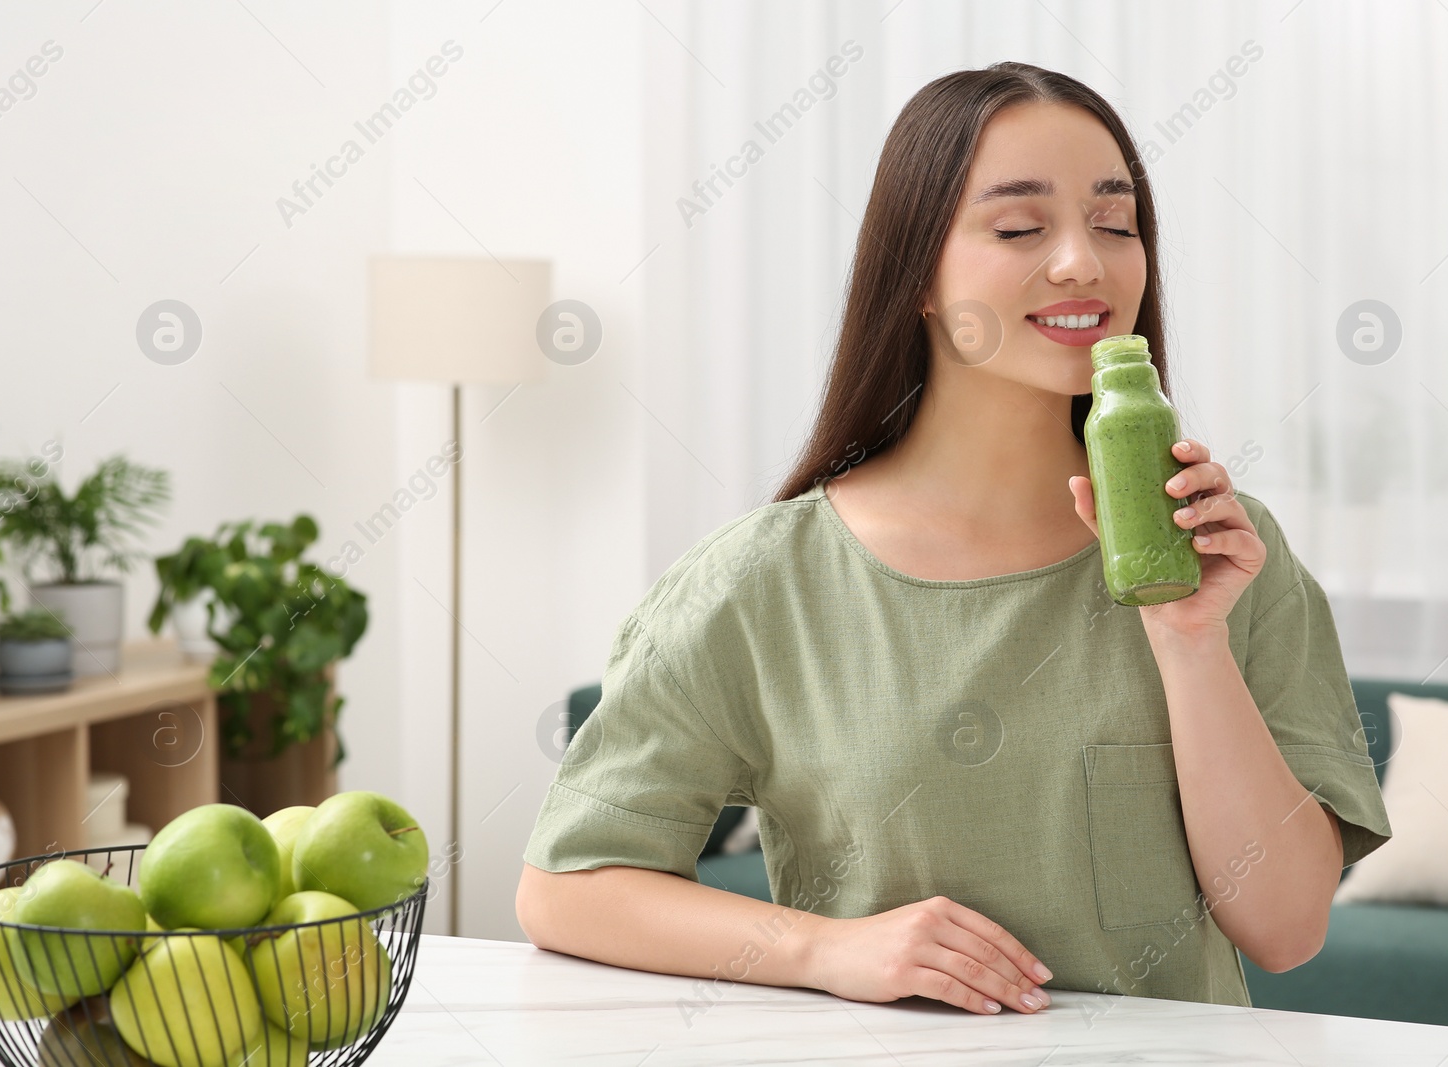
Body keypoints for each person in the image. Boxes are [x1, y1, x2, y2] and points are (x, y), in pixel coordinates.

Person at [516, 60, 1391, 1018]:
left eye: (1115, 223)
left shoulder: (1225, 550)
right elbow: (567, 885)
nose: (1082, 263)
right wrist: (823, 947)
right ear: (918, 276)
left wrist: (1191, 640)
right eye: (1020, 227)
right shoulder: (763, 581)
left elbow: (1287, 925)